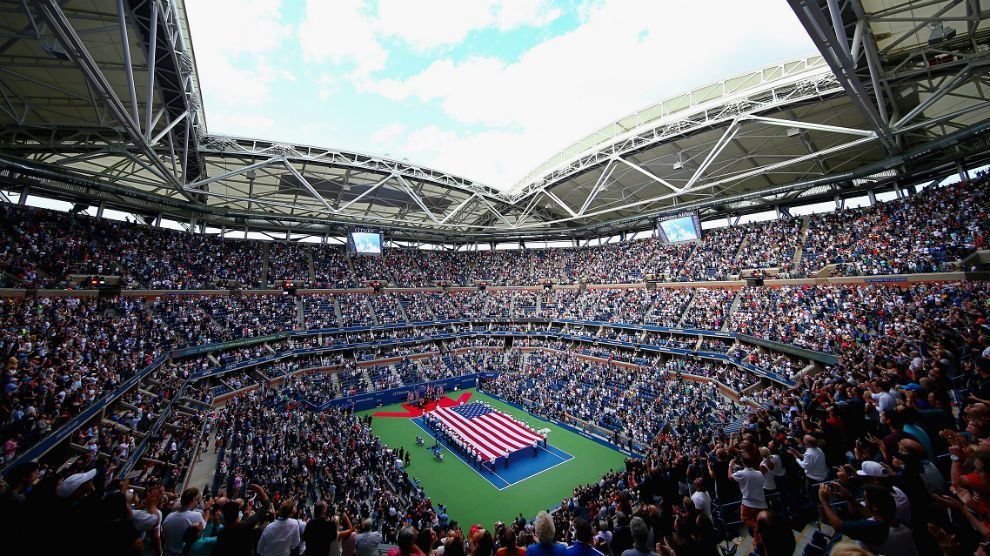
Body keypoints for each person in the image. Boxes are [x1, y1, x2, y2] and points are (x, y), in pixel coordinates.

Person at [817, 484, 918, 555]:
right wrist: (849, 498)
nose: (863, 501)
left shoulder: (874, 528)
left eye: (865, 499)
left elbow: (838, 525)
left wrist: (824, 501)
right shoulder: (896, 521)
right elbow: (868, 514)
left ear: (874, 507)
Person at [161, 488, 208, 556]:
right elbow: (203, 527)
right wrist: (208, 509)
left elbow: (163, 535)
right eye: (198, 500)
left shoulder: (169, 517)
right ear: (193, 499)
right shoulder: (196, 515)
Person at [728, 454, 767, 533]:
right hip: (761, 502)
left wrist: (730, 466)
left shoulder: (741, 474)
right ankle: (758, 537)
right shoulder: (759, 473)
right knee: (759, 520)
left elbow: (730, 476)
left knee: (745, 518)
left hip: (748, 503)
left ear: (743, 463)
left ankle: (758, 528)